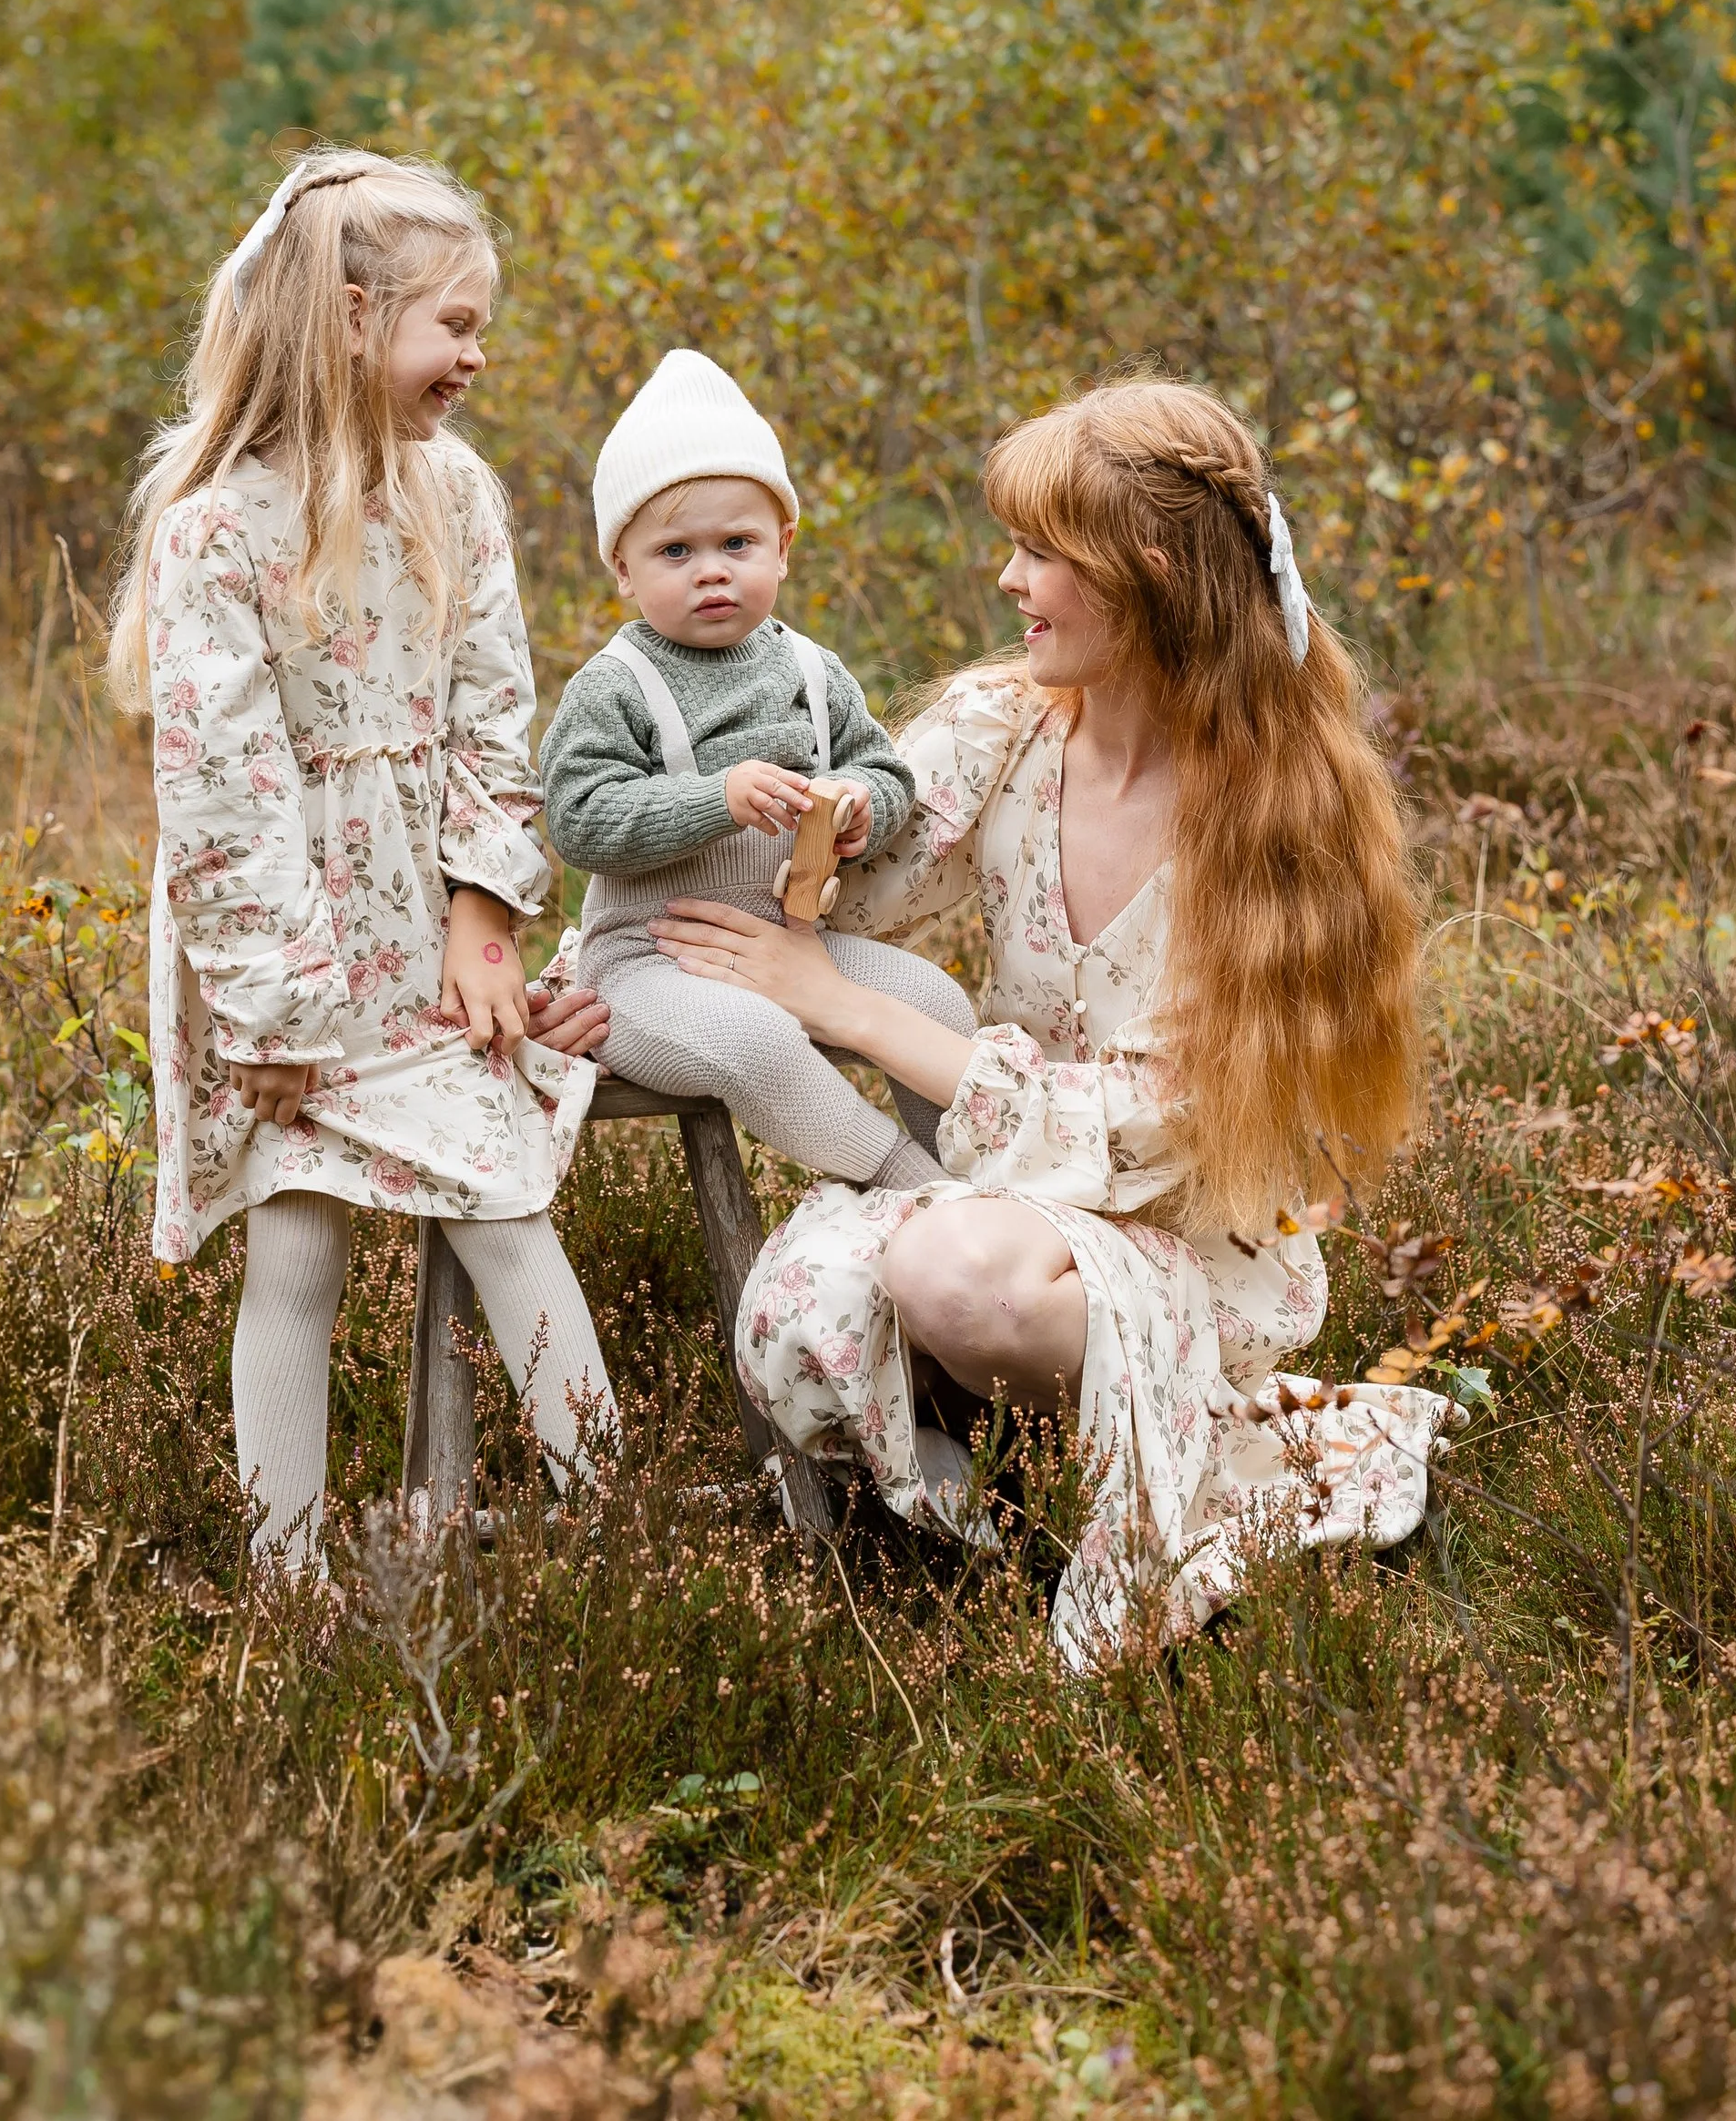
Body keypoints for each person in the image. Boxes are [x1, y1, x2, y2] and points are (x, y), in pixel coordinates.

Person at [651, 376, 1451, 1662]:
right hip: (1011, 1198)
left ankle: (1205, 1449)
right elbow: (829, 900)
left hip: (1188, 1247)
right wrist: (815, 831)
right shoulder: (1002, 727)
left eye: (1040, 553)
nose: (1010, 581)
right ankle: (995, 1505)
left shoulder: (1274, 816)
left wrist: (851, 1012)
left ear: (1142, 577)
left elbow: (1167, 1131)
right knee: (814, 1285)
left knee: (951, 1271)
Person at [108, 148, 616, 1573]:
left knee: (504, 1196)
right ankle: (286, 1578)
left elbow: (493, 712)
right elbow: (223, 785)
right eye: (452, 324)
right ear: (345, 315)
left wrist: (484, 912)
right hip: (286, 944)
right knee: (298, 1250)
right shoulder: (214, 530)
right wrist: (273, 1016)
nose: (477, 353)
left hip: (427, 928)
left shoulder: (459, 496)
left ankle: (616, 1530)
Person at [538, 349, 975, 1188]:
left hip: (794, 945)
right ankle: (907, 1185)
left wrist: (857, 804)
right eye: (675, 551)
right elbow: (579, 820)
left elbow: (886, 773)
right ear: (622, 569)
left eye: (737, 543)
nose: (711, 570)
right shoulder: (616, 685)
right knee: (753, 1042)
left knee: (935, 1002)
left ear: (783, 547)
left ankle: (982, 1173)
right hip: (651, 962)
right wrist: (718, 798)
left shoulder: (812, 669)